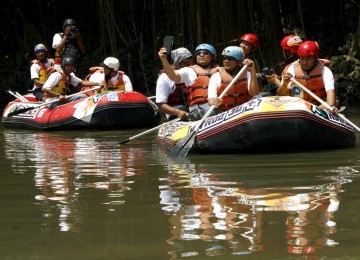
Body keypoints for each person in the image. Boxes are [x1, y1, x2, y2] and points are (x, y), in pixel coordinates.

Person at [158, 43, 219, 121]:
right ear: (175, 64)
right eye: (198, 53)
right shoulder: (188, 71)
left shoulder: (220, 70)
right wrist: (164, 59)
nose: (201, 55)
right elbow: (172, 76)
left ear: (213, 57)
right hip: (195, 113)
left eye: (205, 53)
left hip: (215, 108)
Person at [277, 40, 339, 112]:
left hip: (320, 105)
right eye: (302, 58)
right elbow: (280, 95)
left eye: (308, 58)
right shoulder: (291, 69)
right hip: (298, 105)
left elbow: (330, 90)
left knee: (335, 102)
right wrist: (285, 84)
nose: (304, 62)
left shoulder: (325, 71)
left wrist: (330, 106)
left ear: (315, 58)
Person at [208, 46, 259, 111]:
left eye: (230, 59)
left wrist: (252, 70)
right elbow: (210, 100)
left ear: (240, 62)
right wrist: (215, 102)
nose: (226, 61)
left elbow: (254, 93)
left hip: (244, 110)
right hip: (223, 112)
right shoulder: (216, 76)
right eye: (224, 58)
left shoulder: (248, 74)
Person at [155, 47, 194, 120]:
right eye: (187, 63)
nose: (190, 66)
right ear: (176, 63)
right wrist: (178, 112)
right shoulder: (164, 78)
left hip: (193, 111)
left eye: (191, 63)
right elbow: (161, 105)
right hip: (176, 116)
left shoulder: (192, 72)